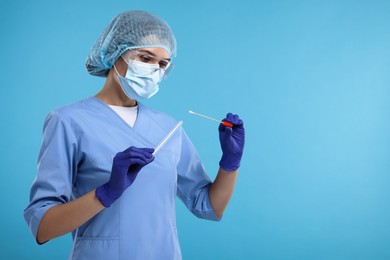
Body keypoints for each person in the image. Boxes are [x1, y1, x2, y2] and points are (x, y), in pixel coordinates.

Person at [24, 10, 245, 260]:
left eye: (162, 64)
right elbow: (42, 227)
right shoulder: (68, 121)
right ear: (116, 52)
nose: (154, 69)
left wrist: (230, 163)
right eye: (145, 57)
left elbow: (209, 207)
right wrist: (104, 193)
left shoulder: (168, 127)